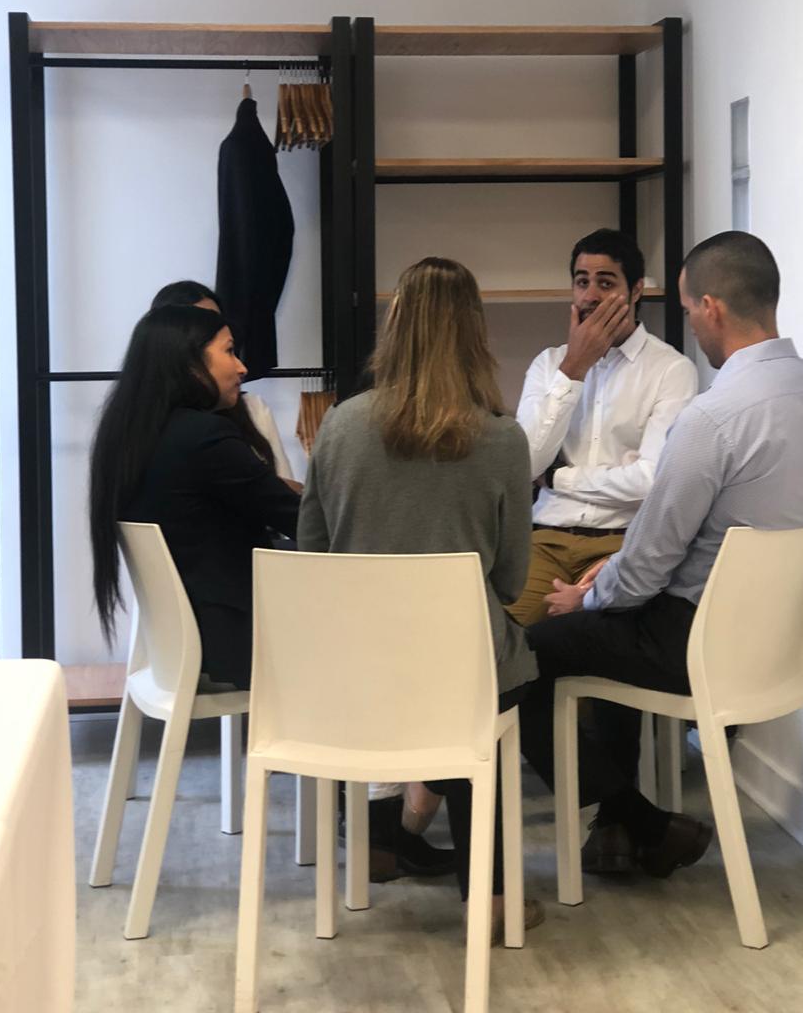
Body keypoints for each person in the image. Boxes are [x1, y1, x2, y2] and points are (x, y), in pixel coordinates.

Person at [515, 231, 803, 877]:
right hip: (785, 642)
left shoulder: (711, 418)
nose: (692, 325)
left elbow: (646, 566)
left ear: (711, 308)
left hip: (696, 640)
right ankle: (633, 826)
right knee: (608, 619)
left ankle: (640, 822)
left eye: (687, 309)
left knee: (529, 655)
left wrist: (586, 597)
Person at [298, 257, 543, 939]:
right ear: (475, 334)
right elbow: (511, 581)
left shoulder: (339, 426)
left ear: (395, 327)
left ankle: (389, 833)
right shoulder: (503, 439)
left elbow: (310, 556)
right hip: (459, 677)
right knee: (485, 678)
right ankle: (490, 895)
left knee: (455, 679)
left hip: (355, 679)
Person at [89, 305, 300, 689]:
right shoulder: (205, 437)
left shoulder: (128, 435)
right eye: (230, 351)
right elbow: (299, 519)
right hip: (234, 643)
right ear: (189, 363)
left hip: (179, 643)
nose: (242, 368)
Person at [507, 228, 697, 627]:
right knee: (501, 632)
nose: (590, 296)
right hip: (547, 536)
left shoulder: (671, 370)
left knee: (593, 634)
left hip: (622, 542)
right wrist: (574, 367)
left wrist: (558, 478)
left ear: (636, 290)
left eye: (606, 283)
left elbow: (650, 480)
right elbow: (525, 465)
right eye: (582, 282)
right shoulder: (550, 365)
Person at [151, 280, 298, 488]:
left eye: (216, 322)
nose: (241, 368)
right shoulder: (146, 425)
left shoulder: (253, 408)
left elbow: (286, 488)